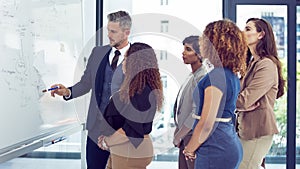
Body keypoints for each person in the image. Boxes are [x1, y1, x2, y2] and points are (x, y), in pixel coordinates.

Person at [49, 10, 132, 169]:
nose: (109, 35)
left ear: (126, 32)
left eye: (113, 31)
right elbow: (86, 82)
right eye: (108, 30)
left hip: (122, 132)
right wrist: (68, 91)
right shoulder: (98, 52)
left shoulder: (138, 57)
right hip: (96, 129)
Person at [183, 19, 247, 169]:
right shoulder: (229, 74)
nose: (202, 44)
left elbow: (207, 122)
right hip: (223, 143)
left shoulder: (217, 76)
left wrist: (190, 148)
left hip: (216, 147)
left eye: (205, 40)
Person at [97, 42, 164, 169]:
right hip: (124, 150)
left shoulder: (141, 92)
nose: (123, 62)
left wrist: (107, 141)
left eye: (126, 58)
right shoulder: (136, 89)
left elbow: (131, 131)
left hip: (129, 150)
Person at [236, 18, 285, 169]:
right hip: (246, 128)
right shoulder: (251, 63)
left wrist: (239, 105)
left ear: (261, 35)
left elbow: (244, 100)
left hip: (258, 130)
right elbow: (240, 99)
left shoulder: (266, 64)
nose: (243, 32)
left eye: (248, 29)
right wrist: (240, 105)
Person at [172, 35, 206, 169]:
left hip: (192, 135)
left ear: (199, 54)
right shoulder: (192, 75)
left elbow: (196, 111)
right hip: (185, 135)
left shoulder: (202, 77)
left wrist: (179, 135)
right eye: (184, 48)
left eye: (188, 49)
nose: (183, 53)